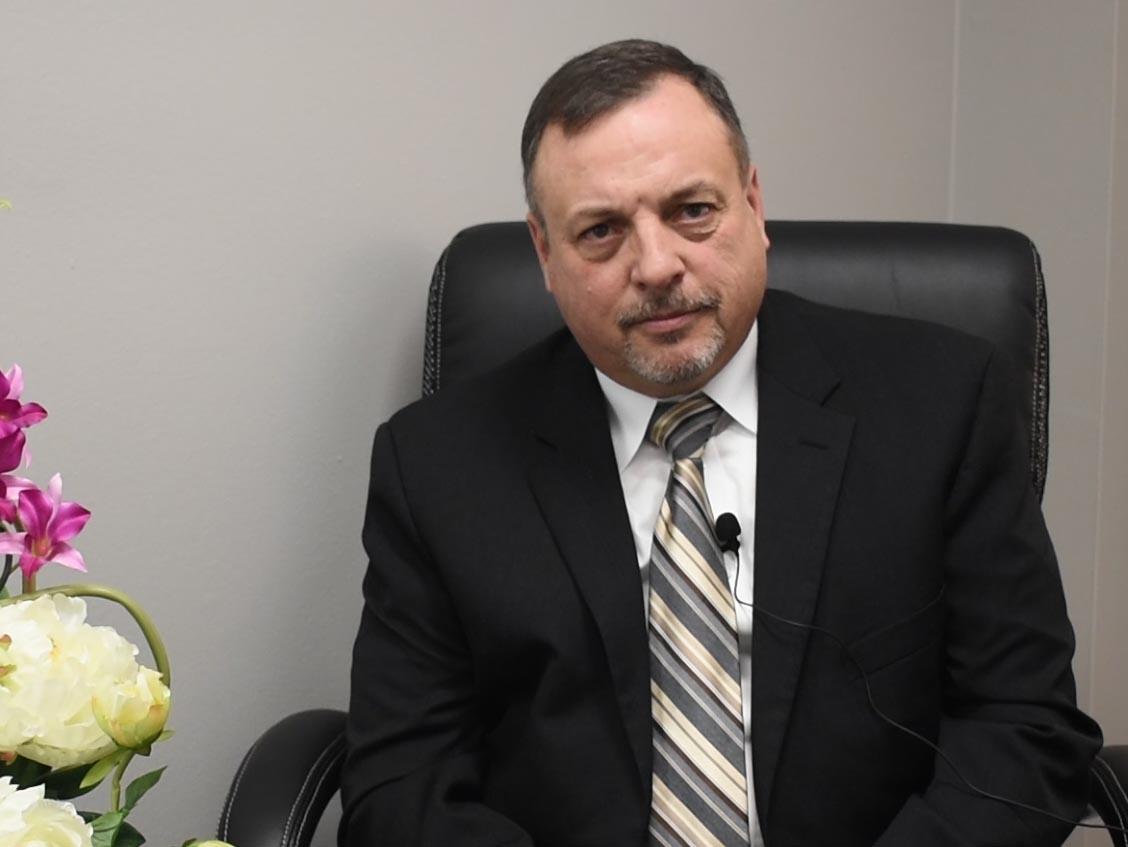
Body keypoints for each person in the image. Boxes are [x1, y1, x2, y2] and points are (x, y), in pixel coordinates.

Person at [340, 39, 1101, 846]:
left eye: (691, 210)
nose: (658, 265)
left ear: (754, 204)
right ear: (545, 256)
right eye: (601, 231)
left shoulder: (940, 403)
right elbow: (400, 786)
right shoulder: (437, 466)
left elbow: (1027, 728)